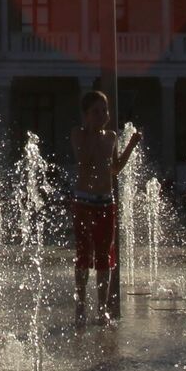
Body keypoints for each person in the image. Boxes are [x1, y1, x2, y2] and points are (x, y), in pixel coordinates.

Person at [68, 89, 139, 329]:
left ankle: (102, 308)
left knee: (104, 258)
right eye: (96, 112)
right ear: (85, 115)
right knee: (83, 255)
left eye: (104, 111)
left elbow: (115, 169)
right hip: (84, 201)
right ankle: (80, 307)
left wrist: (131, 145)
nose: (102, 115)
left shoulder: (111, 137)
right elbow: (84, 160)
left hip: (106, 201)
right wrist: (92, 134)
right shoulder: (78, 134)